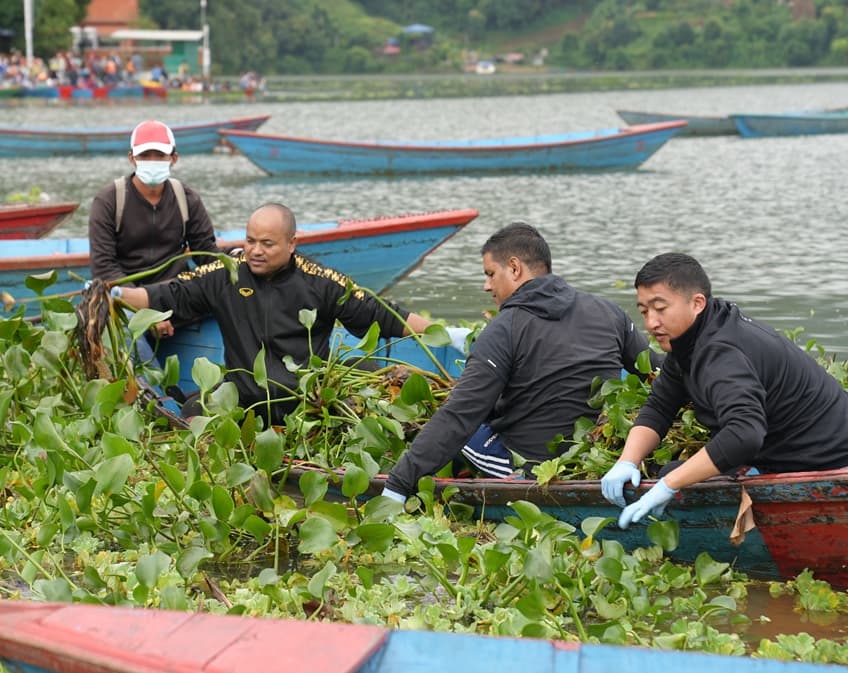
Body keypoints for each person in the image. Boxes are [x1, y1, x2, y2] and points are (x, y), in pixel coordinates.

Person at [381, 223, 659, 502]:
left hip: (530, 464)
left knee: (464, 426)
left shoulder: (504, 329)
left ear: (514, 268)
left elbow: (459, 416)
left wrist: (398, 485)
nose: (486, 285)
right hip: (596, 452)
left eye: (490, 274)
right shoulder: (609, 311)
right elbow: (656, 370)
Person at [601, 252, 848, 529]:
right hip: (832, 442)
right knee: (679, 471)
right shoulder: (691, 338)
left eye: (660, 309)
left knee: (674, 475)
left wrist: (667, 486)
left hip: (836, 461)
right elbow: (659, 407)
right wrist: (627, 461)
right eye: (644, 311)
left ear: (697, 303)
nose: (651, 323)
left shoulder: (721, 354)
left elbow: (744, 435)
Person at [110, 202, 432, 424]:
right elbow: (169, 293)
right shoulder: (226, 273)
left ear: (292, 244)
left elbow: (384, 313)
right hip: (242, 400)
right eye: (250, 241)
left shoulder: (321, 281)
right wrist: (116, 294)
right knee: (190, 410)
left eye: (267, 243)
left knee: (363, 381)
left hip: (305, 404)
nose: (255, 251)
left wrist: (441, 333)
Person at [87, 119, 219, 344]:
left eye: (160, 156)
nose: (152, 162)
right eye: (145, 156)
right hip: (125, 298)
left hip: (175, 294)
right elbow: (104, 267)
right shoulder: (109, 200)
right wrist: (146, 313)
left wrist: (234, 262)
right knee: (121, 326)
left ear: (173, 159)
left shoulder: (186, 199)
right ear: (132, 158)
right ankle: (144, 380)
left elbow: (206, 254)